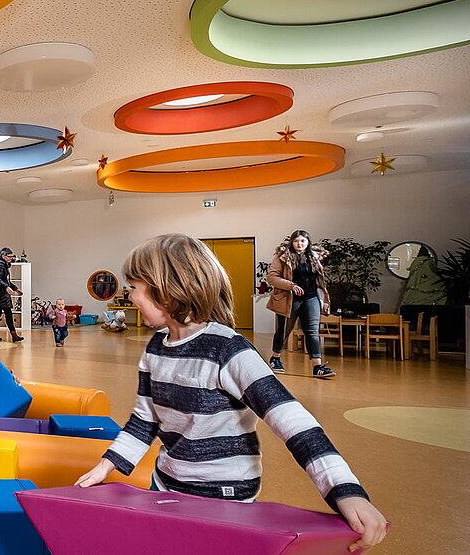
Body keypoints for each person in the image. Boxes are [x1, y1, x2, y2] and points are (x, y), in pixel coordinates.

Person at [76, 234, 387, 553]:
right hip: (166, 485)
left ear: (166, 291)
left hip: (224, 498)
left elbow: (294, 422)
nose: (130, 297)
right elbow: (144, 422)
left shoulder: (228, 350)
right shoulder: (155, 348)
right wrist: (107, 465)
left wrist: (345, 490)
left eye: (134, 288)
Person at [265, 230, 336, 379]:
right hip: (289, 298)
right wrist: (291, 285)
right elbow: (271, 277)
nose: (299, 244)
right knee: (284, 330)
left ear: (308, 242)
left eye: (303, 241)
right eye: (296, 241)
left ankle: (317, 367)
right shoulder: (283, 257)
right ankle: (275, 358)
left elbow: (319, 279)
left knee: (312, 332)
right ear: (291, 242)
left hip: (311, 297)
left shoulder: (314, 257)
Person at [0, 247, 24, 342]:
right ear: (3, 256)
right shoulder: (0, 265)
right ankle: (13, 335)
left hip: (2, 294)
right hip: (0, 294)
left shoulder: (3, 265)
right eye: (9, 256)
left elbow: (6, 281)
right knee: (5, 314)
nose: (11, 258)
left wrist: (15, 289)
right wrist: (6, 287)